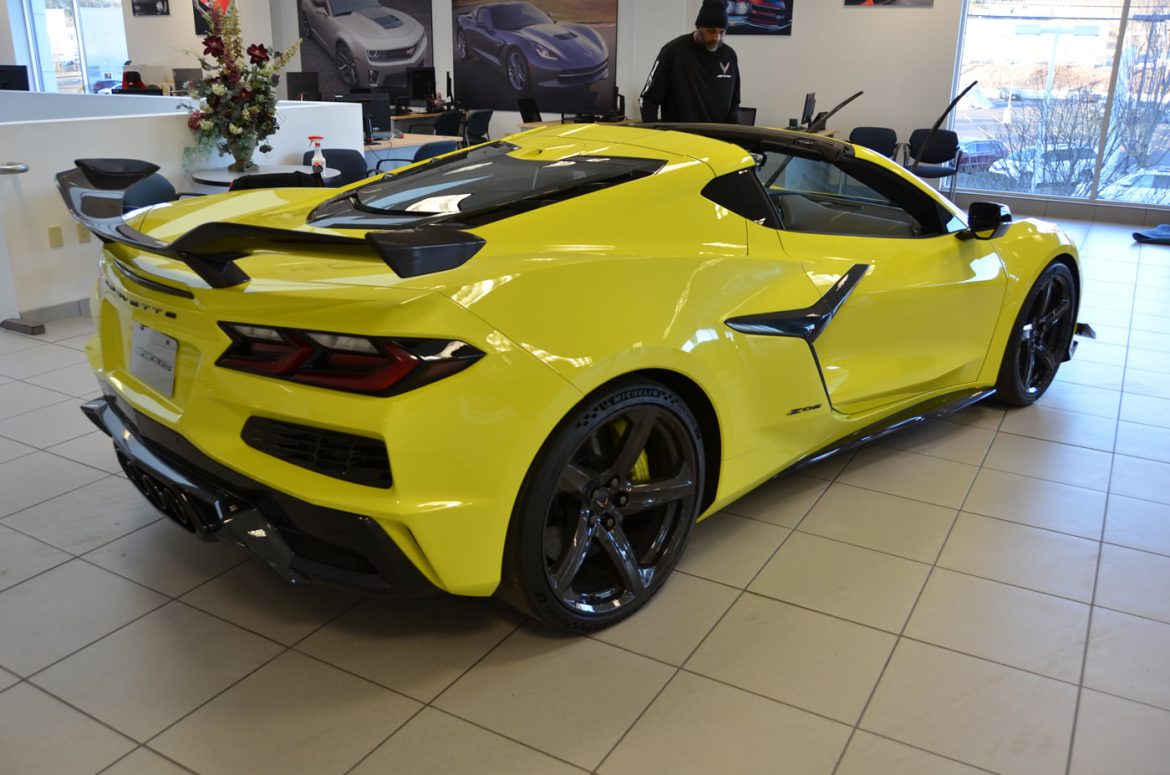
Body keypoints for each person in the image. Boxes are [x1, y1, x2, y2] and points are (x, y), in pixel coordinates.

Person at [639, 0, 741, 124]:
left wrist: (733, 130)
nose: (716, 38)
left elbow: (735, 102)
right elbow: (648, 100)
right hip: (681, 135)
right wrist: (655, 133)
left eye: (721, 32)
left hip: (718, 135)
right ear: (699, 27)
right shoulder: (674, 51)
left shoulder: (729, 55)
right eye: (711, 31)